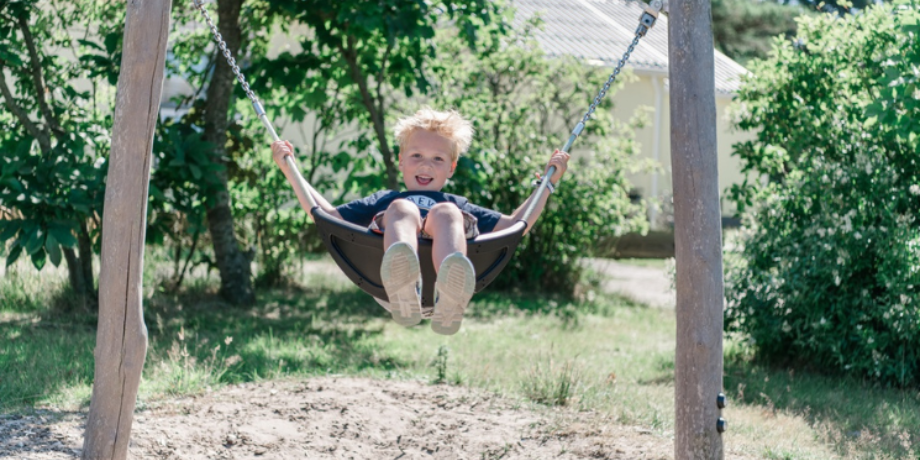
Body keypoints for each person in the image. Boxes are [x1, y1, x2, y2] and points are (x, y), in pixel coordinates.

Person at [272, 107, 569, 335]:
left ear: (451, 168)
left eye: (438, 159)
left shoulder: (455, 204)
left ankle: (450, 292)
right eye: (416, 155)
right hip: (388, 284)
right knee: (402, 209)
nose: (426, 164)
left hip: (437, 288)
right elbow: (329, 217)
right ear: (401, 160)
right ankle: (404, 280)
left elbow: (515, 225)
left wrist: (547, 185)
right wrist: (291, 172)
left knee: (448, 215)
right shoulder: (386, 201)